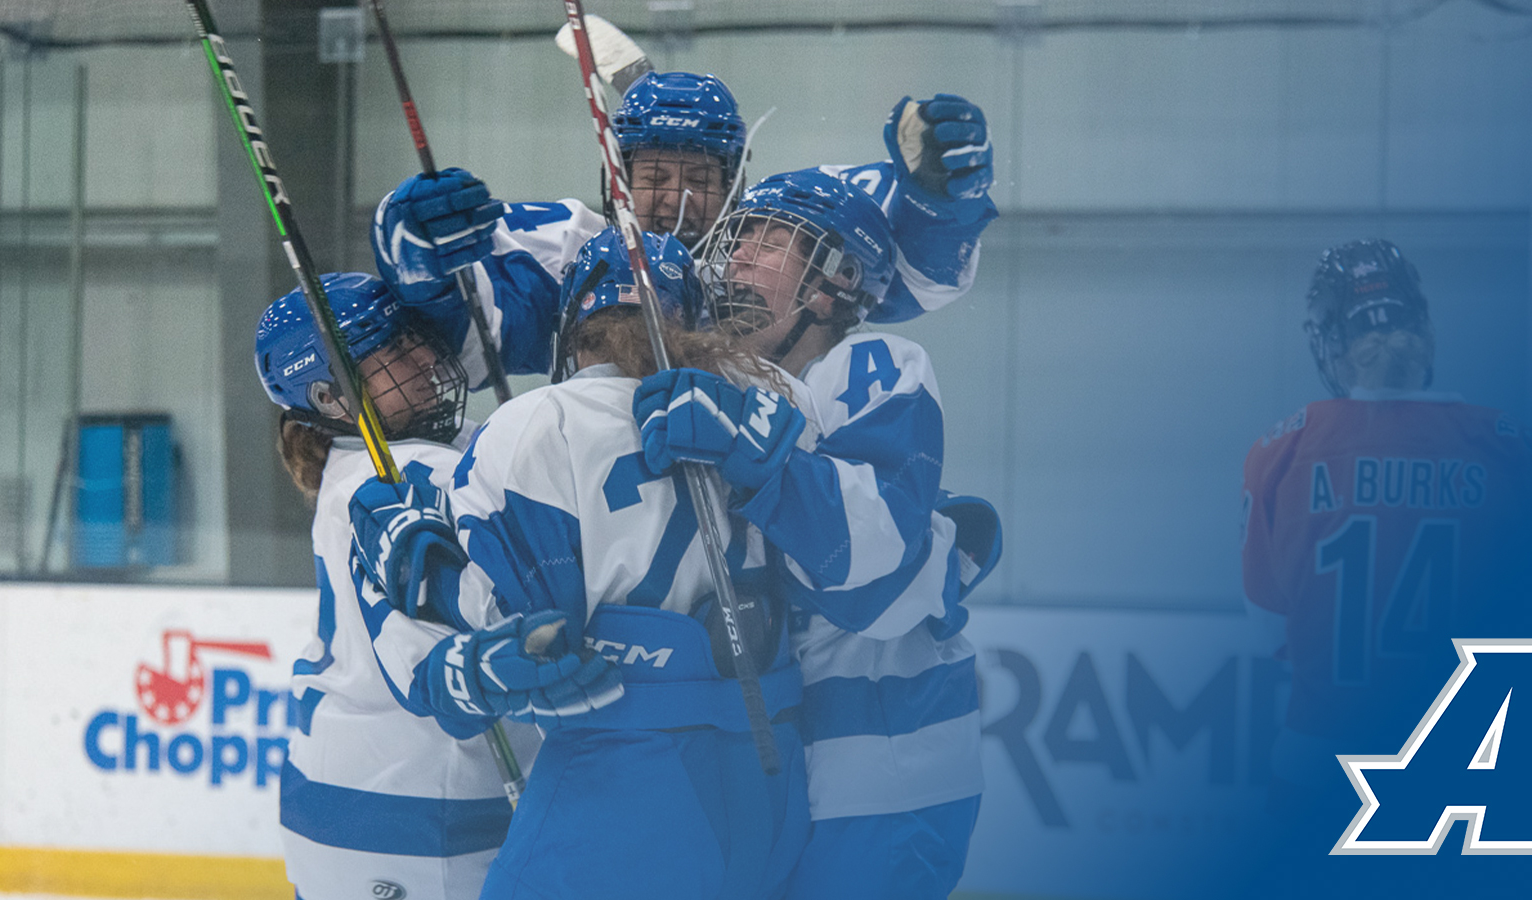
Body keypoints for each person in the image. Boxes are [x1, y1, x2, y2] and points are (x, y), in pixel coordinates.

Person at [349, 229, 813, 900]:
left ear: (572, 328)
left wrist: (424, 570)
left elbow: (521, 628)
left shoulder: (539, 420)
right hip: (772, 768)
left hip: (623, 773)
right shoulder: (774, 400)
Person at [654, 168, 999, 900]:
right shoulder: (728, 388)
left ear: (833, 282)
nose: (741, 253)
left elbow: (867, 572)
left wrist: (751, 443)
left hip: (884, 782)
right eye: (741, 235)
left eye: (774, 240)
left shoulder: (870, 366)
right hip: (772, 775)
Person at [372, 75, 997, 386]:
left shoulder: (774, 247)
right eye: (653, 176)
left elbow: (911, 277)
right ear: (614, 176)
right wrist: (418, 259)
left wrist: (941, 205)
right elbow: (461, 338)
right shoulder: (571, 246)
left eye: (699, 175)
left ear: (738, 183)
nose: (675, 200)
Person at [1239, 239, 1532, 841]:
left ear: (1333, 343)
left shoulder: (1281, 454)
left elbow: (1268, 631)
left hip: (1321, 773)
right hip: (1479, 780)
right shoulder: (1516, 451)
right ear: (1425, 331)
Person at [259, 273, 550, 900]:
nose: (426, 358)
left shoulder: (413, 454)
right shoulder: (398, 473)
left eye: (416, 338)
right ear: (331, 396)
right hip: (410, 812)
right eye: (392, 353)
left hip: (378, 800)